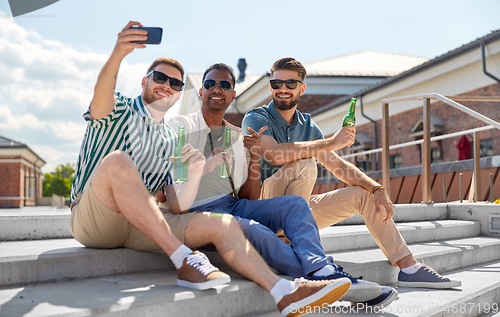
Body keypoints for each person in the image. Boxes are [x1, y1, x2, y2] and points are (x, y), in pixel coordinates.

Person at [69, 22, 350, 317]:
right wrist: (118, 53)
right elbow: (101, 96)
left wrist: (201, 169)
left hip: (143, 223)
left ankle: (286, 292)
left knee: (224, 224)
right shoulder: (121, 110)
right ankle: (184, 260)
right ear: (144, 81)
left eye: (176, 83)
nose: (167, 85)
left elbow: (177, 202)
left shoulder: (169, 137)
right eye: (159, 78)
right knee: (118, 161)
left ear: (180, 94)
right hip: (98, 218)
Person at [164, 63, 396, 308]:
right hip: (202, 212)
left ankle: (322, 269)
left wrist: (254, 158)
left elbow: (248, 198)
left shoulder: (236, 137)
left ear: (233, 95)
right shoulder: (182, 127)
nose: (216, 89)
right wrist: (205, 166)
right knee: (253, 229)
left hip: (234, 205)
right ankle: (330, 278)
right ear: (201, 91)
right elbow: (176, 191)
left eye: (225, 85)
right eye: (209, 84)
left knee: (295, 205)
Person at [241, 57, 462, 290]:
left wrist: (377, 188)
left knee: (363, 194)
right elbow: (274, 155)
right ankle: (286, 244)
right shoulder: (257, 117)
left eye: (290, 84)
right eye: (276, 84)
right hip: (263, 211)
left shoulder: (306, 124)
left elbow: (339, 167)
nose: (282, 89)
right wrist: (330, 142)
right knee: (304, 163)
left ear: (302, 88)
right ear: (270, 86)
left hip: (295, 214)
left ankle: (409, 268)